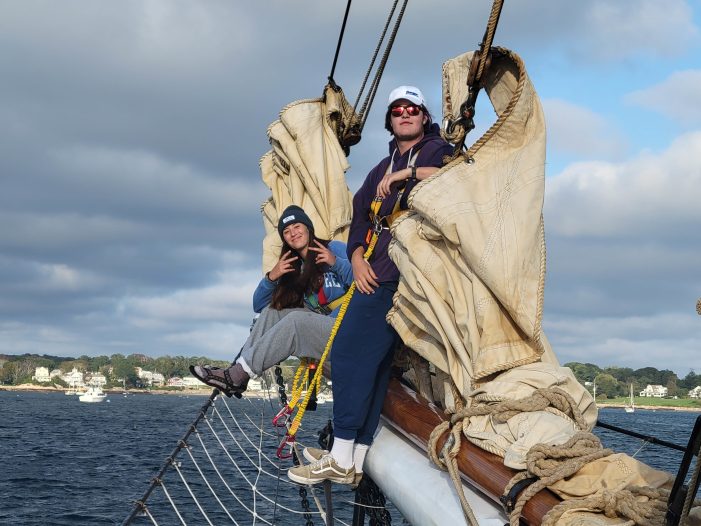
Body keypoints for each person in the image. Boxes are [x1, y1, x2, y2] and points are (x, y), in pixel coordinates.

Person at [288, 86, 453, 485]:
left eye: (413, 109)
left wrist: (407, 174)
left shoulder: (436, 151)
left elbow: (458, 178)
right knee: (375, 367)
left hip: (397, 273)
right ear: (390, 121)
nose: (405, 114)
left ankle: (339, 455)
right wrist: (357, 258)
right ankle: (354, 458)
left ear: (425, 117)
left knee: (346, 355)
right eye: (398, 110)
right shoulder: (380, 167)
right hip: (374, 269)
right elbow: (361, 216)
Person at [190, 205, 353, 396]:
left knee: (295, 322)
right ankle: (238, 374)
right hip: (321, 328)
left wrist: (336, 263)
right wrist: (272, 277)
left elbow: (366, 280)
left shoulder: (334, 249)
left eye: (297, 227)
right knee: (273, 311)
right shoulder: (292, 267)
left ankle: (237, 374)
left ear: (308, 228)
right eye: (286, 231)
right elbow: (258, 306)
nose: (293, 233)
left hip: (348, 326)